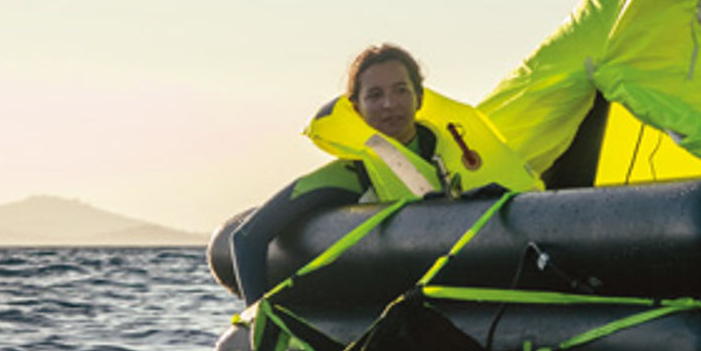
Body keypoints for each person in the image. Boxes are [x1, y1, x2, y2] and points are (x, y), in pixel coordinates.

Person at [229, 44, 538, 305]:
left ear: (419, 97)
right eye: (374, 95)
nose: (390, 104)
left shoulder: (456, 151)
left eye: (401, 91)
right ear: (356, 108)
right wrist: (256, 318)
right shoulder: (353, 175)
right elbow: (246, 239)